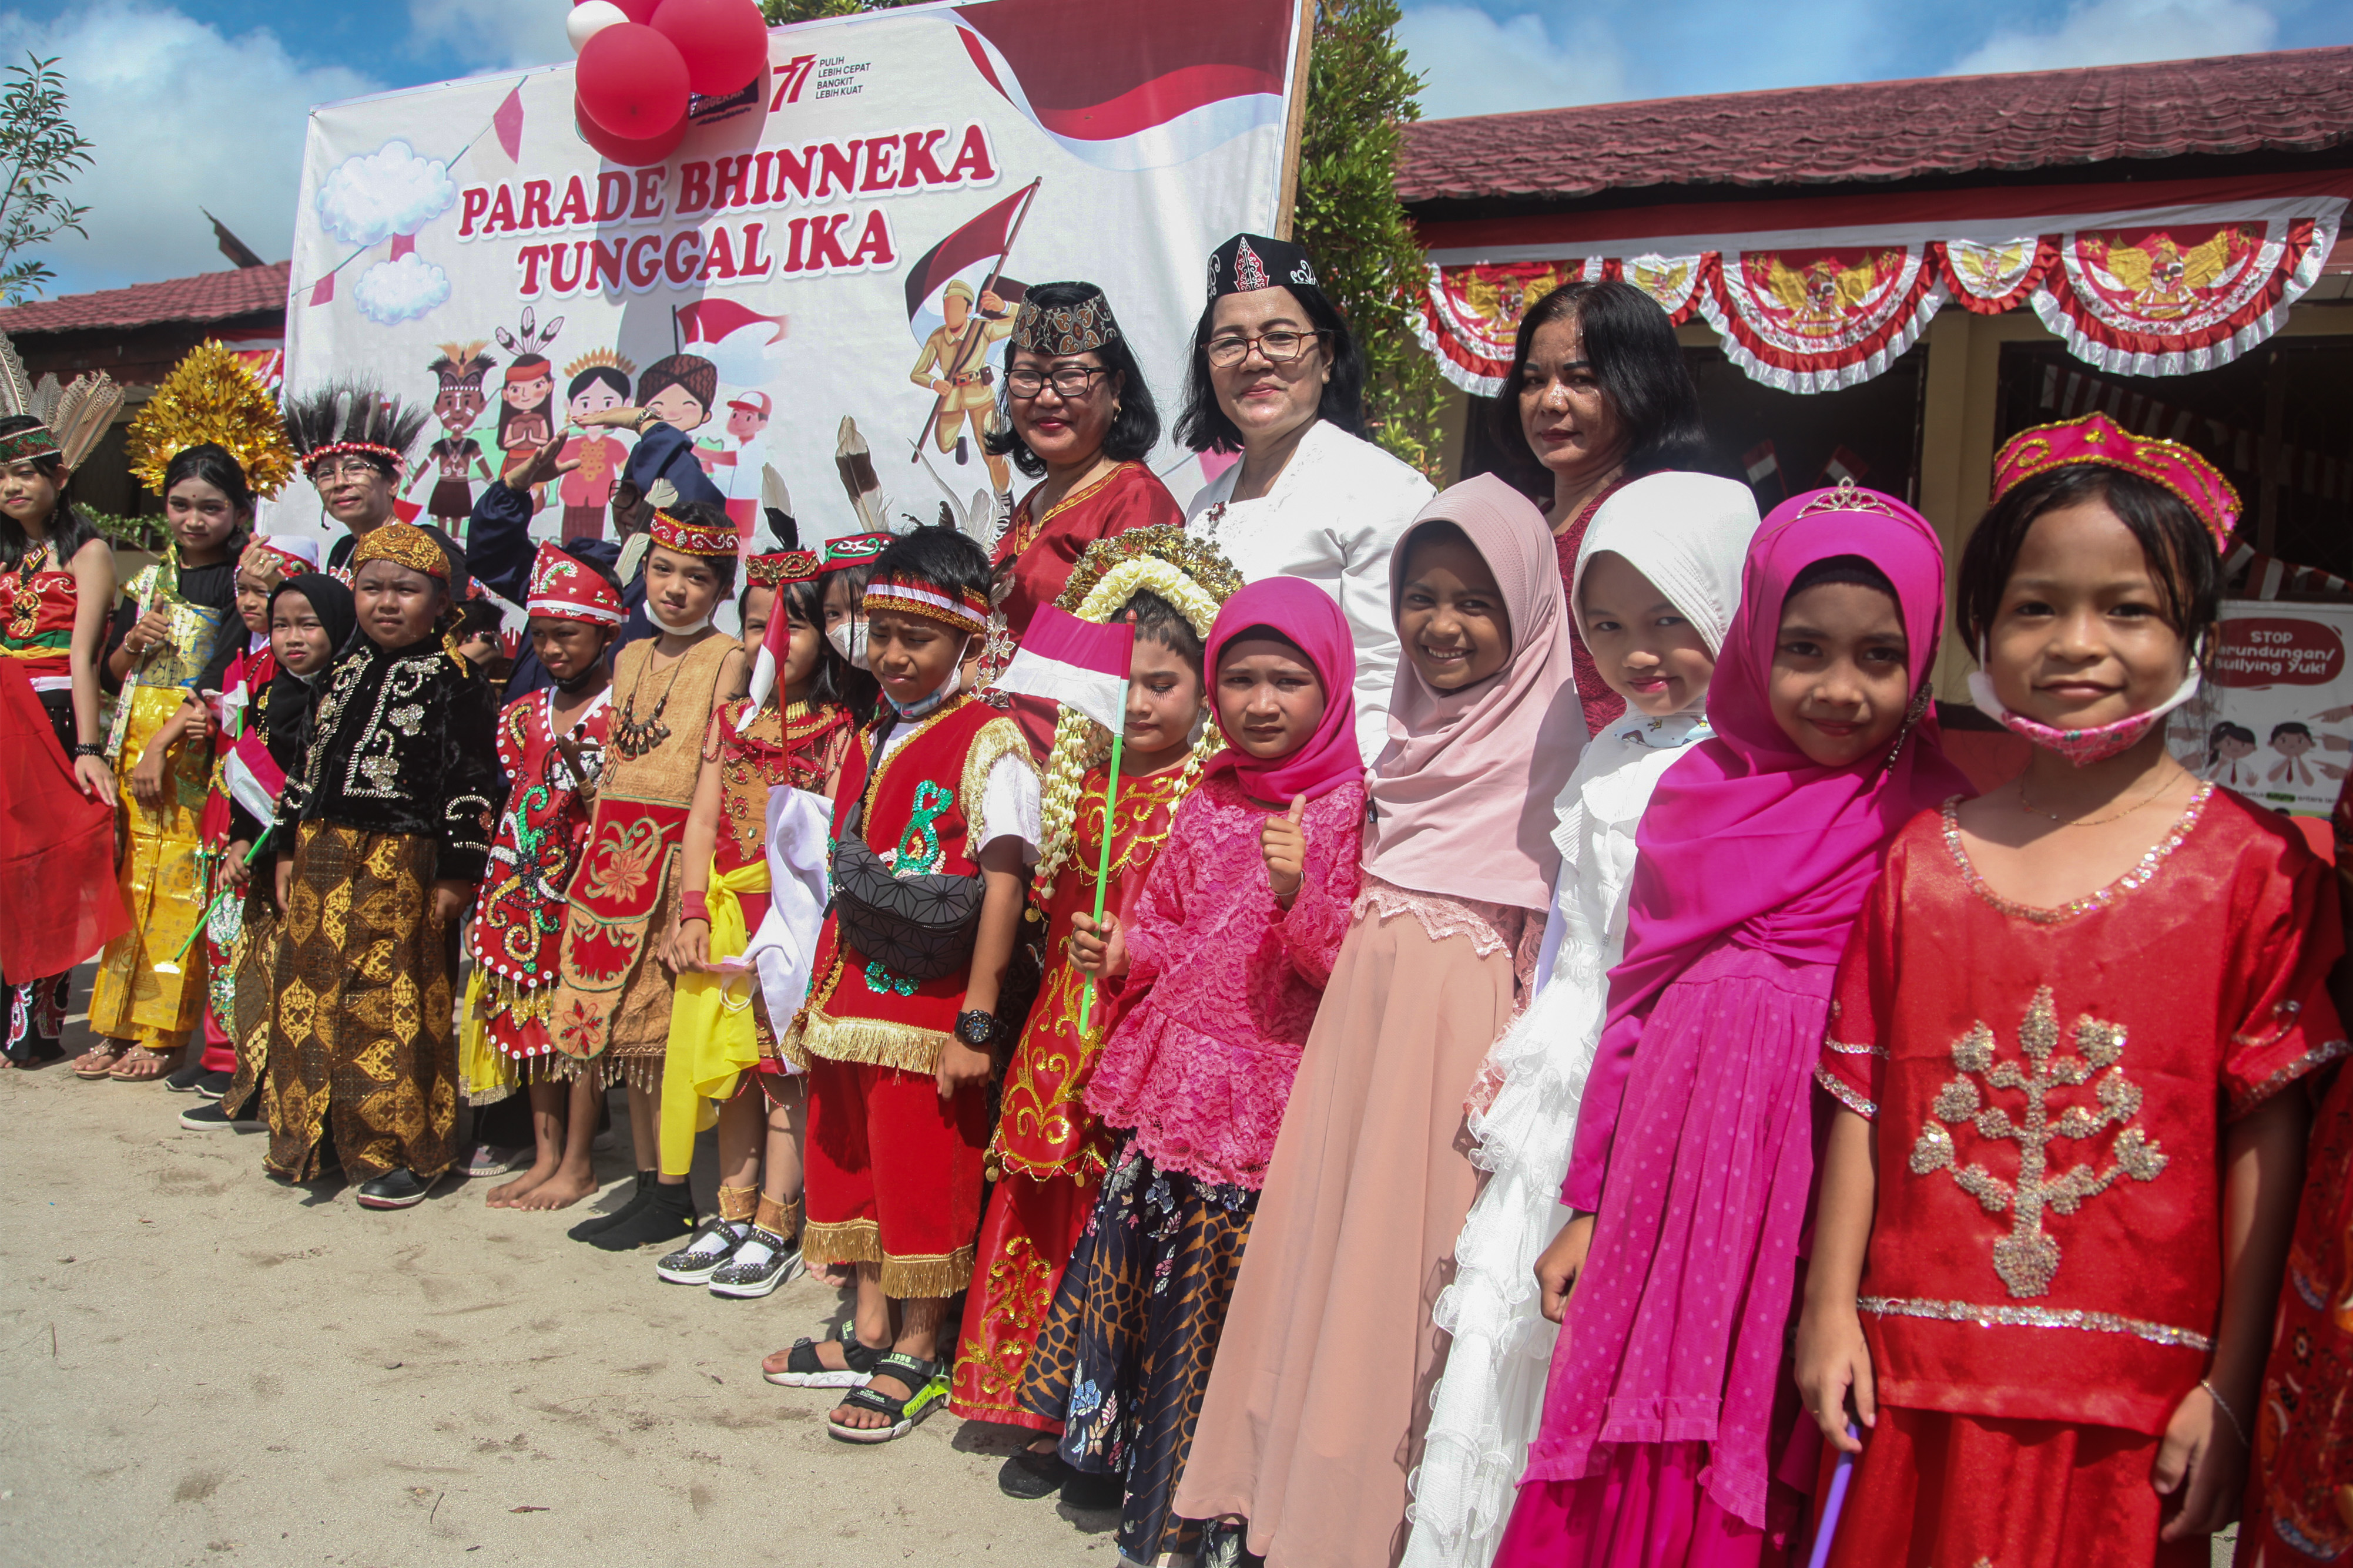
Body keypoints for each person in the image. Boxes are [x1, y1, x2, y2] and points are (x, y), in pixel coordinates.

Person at [1795, 417, 2344, 1564]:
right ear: (1979, 632)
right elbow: (1861, 1100)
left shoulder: (2255, 871)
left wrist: (2229, 1388)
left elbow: (2265, 1138)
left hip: (2132, 1415)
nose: (2077, 642)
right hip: (1914, 1382)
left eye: (2129, 609)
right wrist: (1828, 1309)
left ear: (2195, 632)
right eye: (2036, 606)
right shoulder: (1919, 863)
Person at [1495, 482, 1972, 1567]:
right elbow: (1633, 1003)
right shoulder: (1699, 788)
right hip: (1672, 1163)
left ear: (1924, 655)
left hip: (1822, 1166)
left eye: (1877, 655)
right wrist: (1586, 1200)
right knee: (1637, 1399)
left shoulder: (1936, 820)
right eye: (1802, 648)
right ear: (1753, 639)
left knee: (1765, 1399)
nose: (1838, 689)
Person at [1175, 474, 1584, 1566]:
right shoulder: (1399, 741)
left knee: (1401, 1283)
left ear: (1531, 609)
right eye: (1420, 594)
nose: (1440, 626)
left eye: (1474, 601)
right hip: (1362, 1031)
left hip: (1456, 1054)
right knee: (1326, 1257)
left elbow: (1564, 941)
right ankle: (1281, 1501)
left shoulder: (1560, 754)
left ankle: (1362, 1526)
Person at [1403, 471, 1760, 1568]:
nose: (1636, 652)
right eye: (1605, 625)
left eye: (1669, 617)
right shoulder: (1610, 747)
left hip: (1642, 1070)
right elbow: (1566, 923)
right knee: (1507, 1317)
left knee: (1581, 1324)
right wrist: (1518, 1042)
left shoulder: (1736, 765)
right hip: (1562, 1049)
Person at [1015, 574, 1364, 1552]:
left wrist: (1299, 893)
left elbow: (1343, 967)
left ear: (1330, 684)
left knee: (1218, 1309)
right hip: (1174, 1092)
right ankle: (1116, 1456)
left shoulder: (1346, 811)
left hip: (1261, 1106)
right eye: (1240, 680)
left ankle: (1197, 1495)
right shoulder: (1208, 797)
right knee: (1142, 1291)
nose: (1259, 702)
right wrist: (1123, 951)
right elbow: (1170, 924)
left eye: (1286, 680)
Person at [950, 526, 1242, 1487]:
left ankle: (1109, 1422)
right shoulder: (1079, 784)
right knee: (1045, 1206)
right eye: (1123, 682)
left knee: (1119, 1227)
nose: (1140, 701)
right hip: (1058, 1034)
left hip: (1148, 1038)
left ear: (1204, 689)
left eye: (1163, 682)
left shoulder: (1206, 798)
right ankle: (1035, 1401)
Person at [765, 529, 1039, 1445]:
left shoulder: (991, 737)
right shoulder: (878, 728)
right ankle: (870, 1330)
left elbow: (1004, 881)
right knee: (860, 1167)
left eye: (915, 637)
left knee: (923, 1175)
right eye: (880, 630)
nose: (890, 653)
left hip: (931, 1012)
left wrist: (977, 1019)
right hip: (854, 1000)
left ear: (968, 640)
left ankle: (919, 1350)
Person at [262, 523, 498, 1207]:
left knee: (390, 998)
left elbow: (472, 782)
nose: (386, 603)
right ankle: (315, 1137)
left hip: (404, 861)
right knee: (310, 997)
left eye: (406, 589)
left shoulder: (456, 680)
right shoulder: (341, 668)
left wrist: (459, 872)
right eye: (371, 588)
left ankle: (403, 1150)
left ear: (440, 600)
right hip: (319, 857)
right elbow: (308, 763)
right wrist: (284, 847)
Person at [652, 548, 856, 1292]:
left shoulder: (836, 728)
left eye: (792, 626)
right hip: (727, 919)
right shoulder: (730, 721)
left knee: (783, 1075)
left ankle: (777, 1219)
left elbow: (828, 843)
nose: (773, 641)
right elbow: (701, 824)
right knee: (731, 1070)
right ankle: (731, 1213)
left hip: (790, 925)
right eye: (755, 625)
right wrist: (692, 910)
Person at [551, 503, 743, 1251]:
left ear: (720, 589)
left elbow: (713, 776)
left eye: (697, 577)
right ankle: (642, 1184)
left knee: (664, 1034)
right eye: (663, 570)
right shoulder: (628, 655)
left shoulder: (727, 658)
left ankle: (674, 1190)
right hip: (609, 857)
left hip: (670, 859)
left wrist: (688, 896)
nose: (675, 589)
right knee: (624, 1036)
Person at [1181, 232, 1433, 763]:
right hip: (1210, 789)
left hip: (1321, 795)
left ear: (1326, 356)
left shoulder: (1382, 490)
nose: (1254, 361)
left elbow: (1387, 678)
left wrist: (1337, 810)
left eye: (1279, 337)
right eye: (1230, 343)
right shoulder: (1203, 507)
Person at [76, 442, 250, 1081]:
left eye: (211, 507)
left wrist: (162, 745)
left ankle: (162, 1029)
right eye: (180, 505)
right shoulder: (147, 580)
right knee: (128, 882)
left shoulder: (240, 585)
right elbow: (112, 676)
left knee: (179, 885)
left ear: (237, 511)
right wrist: (130, 643)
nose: (193, 519)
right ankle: (112, 1019)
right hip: (132, 740)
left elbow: (218, 679)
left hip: (190, 750)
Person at [461, 544, 627, 1209]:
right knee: (532, 1023)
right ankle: (547, 1153)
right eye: (541, 636)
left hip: (587, 887)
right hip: (523, 888)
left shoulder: (623, 709)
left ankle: (580, 1160)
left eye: (568, 634)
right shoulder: (522, 710)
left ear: (605, 632)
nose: (553, 649)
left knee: (578, 1024)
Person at [1496, 278, 1714, 738]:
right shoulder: (1523, 522)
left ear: (1641, 383)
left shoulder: (1658, 520)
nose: (1550, 402)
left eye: (1582, 380)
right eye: (1534, 381)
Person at [183, 572, 356, 1132]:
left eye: (309, 624)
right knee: (257, 978)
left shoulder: (343, 697)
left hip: (314, 861)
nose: (292, 638)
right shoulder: (268, 691)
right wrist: (238, 842)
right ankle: (251, 1084)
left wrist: (283, 846)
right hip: (258, 867)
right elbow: (246, 779)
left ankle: (303, 1097)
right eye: (281, 626)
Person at [980, 281, 1185, 751]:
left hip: (1066, 768)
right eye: (1028, 376)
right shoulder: (1034, 500)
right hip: (992, 752)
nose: (1048, 398)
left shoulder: (1136, 501)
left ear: (1116, 387)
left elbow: (1125, 667)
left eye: (1071, 377)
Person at [169, 532, 320, 1098]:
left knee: (254, 940)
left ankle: (241, 1060)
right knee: (223, 936)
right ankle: (216, 1052)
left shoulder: (288, 669)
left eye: (268, 591)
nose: (252, 603)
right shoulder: (242, 659)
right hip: (227, 810)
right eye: (245, 590)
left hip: (264, 817)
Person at [0, 408, 122, 1068]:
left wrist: (88, 747)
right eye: (0, 476)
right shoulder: (1, 550)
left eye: (23, 471)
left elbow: (83, 658)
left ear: (59, 474)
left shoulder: (89, 551)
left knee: (43, 866)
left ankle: (32, 1026)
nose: (10, 486)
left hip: (48, 713)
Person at [281, 381, 433, 578]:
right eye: (326, 474)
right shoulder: (343, 551)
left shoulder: (425, 544)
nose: (340, 483)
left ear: (393, 482)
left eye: (355, 469)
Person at [911, 279, 1015, 494]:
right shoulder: (938, 337)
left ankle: (1005, 499)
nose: (950, 312)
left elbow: (1023, 321)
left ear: (969, 309)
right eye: (947, 306)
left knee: (992, 451)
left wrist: (1003, 307)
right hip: (952, 397)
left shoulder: (982, 329)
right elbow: (917, 373)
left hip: (981, 396)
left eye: (957, 306)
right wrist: (934, 382)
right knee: (944, 444)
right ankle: (959, 442)